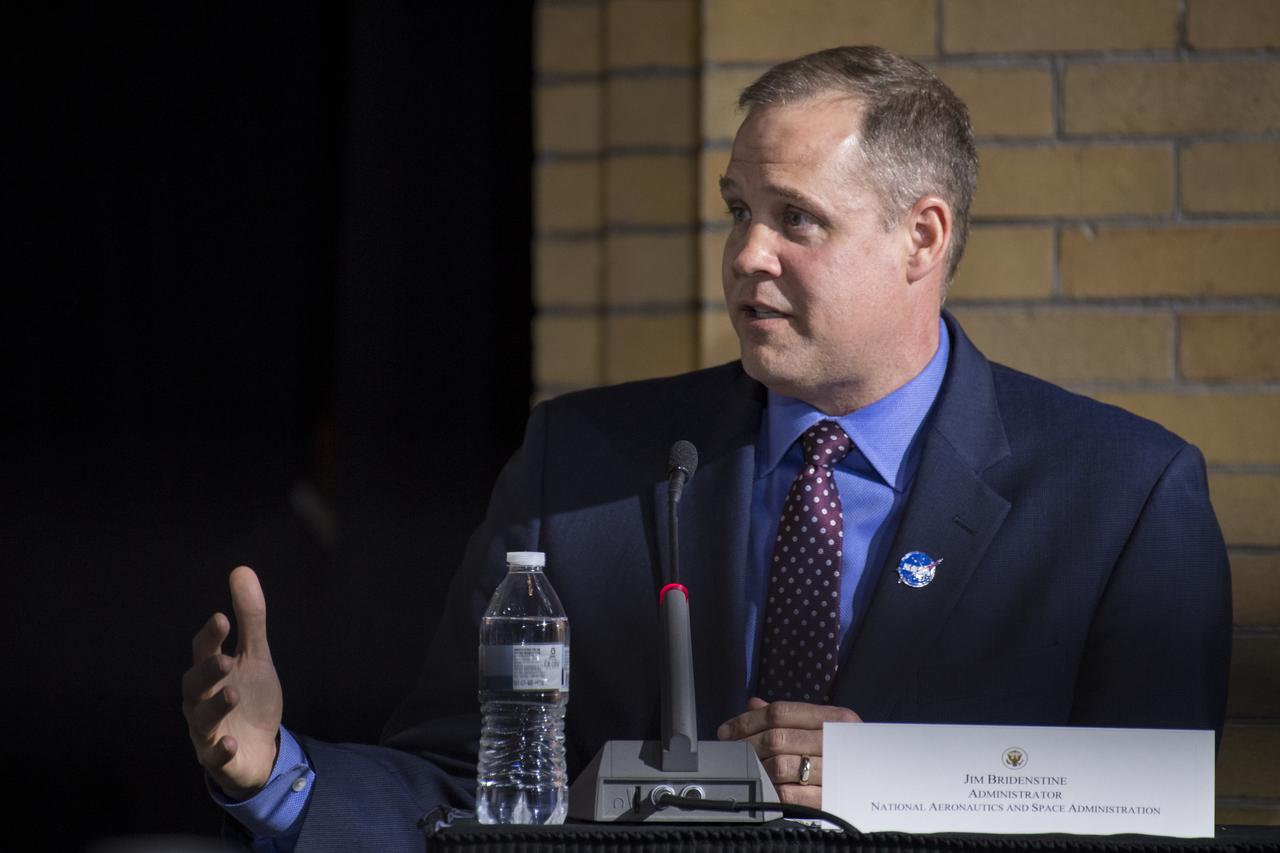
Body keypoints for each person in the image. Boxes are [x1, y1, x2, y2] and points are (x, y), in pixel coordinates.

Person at [183, 46, 1231, 850]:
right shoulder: (582, 460)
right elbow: (473, 784)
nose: (743, 256)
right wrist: (279, 772)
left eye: (794, 220)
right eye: (736, 211)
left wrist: (889, 774)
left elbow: (1148, 811)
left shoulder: (1122, 494)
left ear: (921, 236)